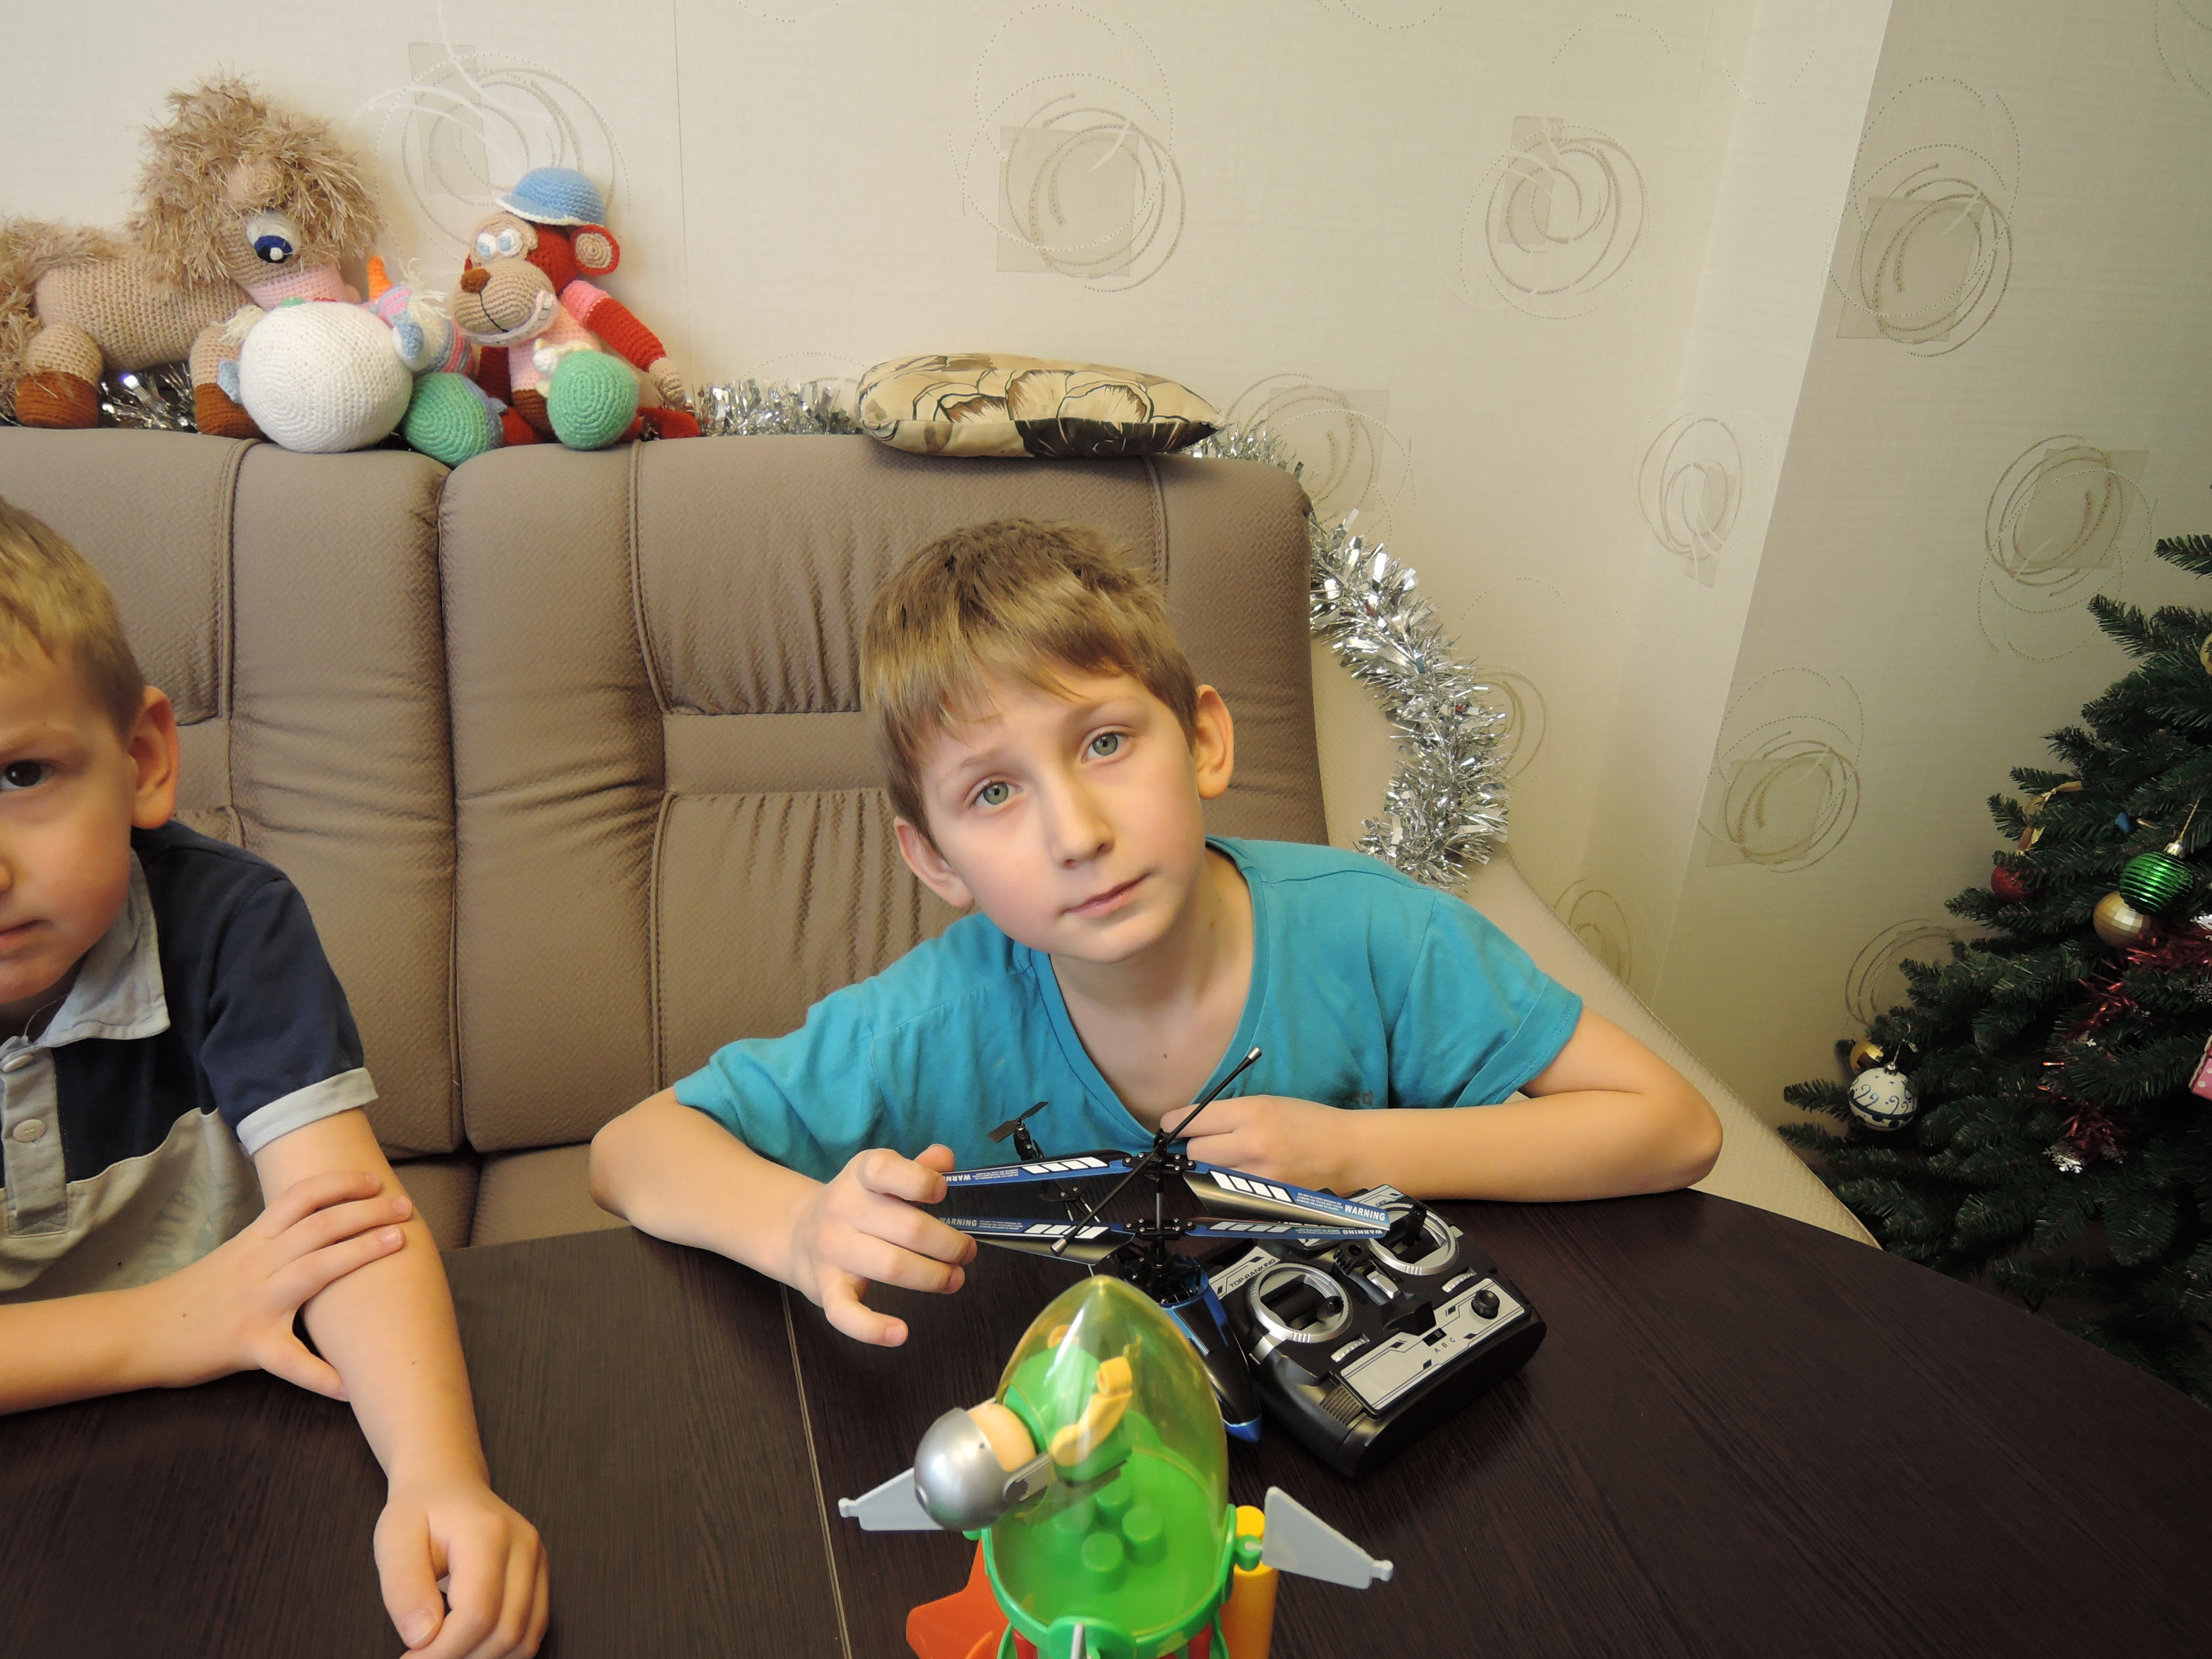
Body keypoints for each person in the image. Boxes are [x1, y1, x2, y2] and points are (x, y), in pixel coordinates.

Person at [592, 519, 1721, 1347]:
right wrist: (798, 1230)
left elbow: (1670, 1128)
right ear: (934, 861)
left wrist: (1357, 1152)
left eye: (1105, 744)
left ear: (1205, 743)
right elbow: (632, 1150)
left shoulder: (1378, 931)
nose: (1077, 834)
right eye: (993, 793)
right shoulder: (931, 1016)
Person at [0, 499, 547, 1659]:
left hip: (236, 1440)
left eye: (21, 773)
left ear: (143, 762)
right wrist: (164, 1326)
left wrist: (438, 1476)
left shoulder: (228, 925)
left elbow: (347, 1226)